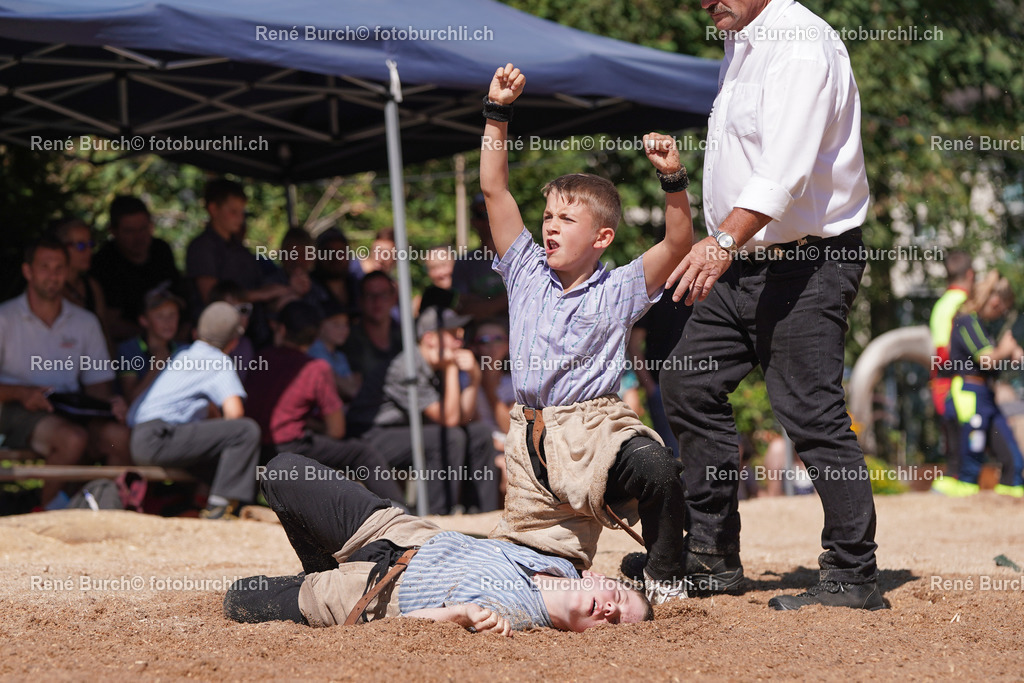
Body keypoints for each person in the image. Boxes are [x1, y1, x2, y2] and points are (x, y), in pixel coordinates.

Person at [659, 0, 883, 611]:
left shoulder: (802, 43)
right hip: (741, 257)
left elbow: (782, 172)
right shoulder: (743, 39)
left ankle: (852, 572)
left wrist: (720, 241)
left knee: (808, 408)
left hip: (807, 260)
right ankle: (712, 554)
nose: (708, 2)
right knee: (687, 381)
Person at [479, 64, 694, 604]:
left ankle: (665, 577)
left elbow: (677, 243)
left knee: (658, 469)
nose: (550, 225)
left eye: (565, 219)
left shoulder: (619, 289)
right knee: (526, 582)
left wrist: (673, 179)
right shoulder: (525, 269)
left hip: (595, 429)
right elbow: (493, 187)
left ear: (601, 237)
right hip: (530, 440)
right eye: (548, 215)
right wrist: (497, 112)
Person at [223, 452, 652, 633]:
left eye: (614, 623)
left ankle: (320, 582)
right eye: (615, 595)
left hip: (371, 595)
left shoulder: (514, 626)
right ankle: (319, 566)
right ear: (596, 577)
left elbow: (406, 629)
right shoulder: (561, 560)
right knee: (281, 470)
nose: (610, 608)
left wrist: (460, 613)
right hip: (397, 534)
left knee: (239, 598)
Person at [0, 238, 132, 507]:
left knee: (119, 438)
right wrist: (21, 393)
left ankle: (109, 509)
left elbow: (98, 384)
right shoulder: (4, 318)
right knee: (72, 439)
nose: (53, 275)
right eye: (45, 266)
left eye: (59, 267)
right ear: (28, 271)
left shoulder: (85, 321)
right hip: (12, 407)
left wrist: (108, 407)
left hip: (70, 407)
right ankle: (45, 518)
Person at [244, 301, 403, 501]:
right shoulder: (315, 368)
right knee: (363, 453)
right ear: (315, 335)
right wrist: (312, 425)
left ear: (281, 329)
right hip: (290, 449)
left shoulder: (261, 358)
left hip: (256, 448)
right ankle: (401, 511)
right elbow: (336, 430)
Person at [127, 302, 261, 519]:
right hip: (160, 439)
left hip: (141, 438)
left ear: (196, 332)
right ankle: (220, 508)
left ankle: (192, 505)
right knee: (246, 431)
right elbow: (235, 416)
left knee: (224, 453)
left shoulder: (182, 354)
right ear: (235, 342)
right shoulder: (218, 362)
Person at [362, 308, 500, 514]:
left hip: (409, 432)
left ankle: (482, 514)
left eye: (461, 336)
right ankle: (438, 516)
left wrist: (474, 379)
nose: (459, 342)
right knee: (450, 437)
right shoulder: (407, 367)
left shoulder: (437, 364)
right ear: (429, 338)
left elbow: (465, 418)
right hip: (372, 437)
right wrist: (452, 369)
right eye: (452, 335)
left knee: (479, 433)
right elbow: (450, 420)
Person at [935, 272, 1024, 497]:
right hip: (969, 395)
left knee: (1012, 458)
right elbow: (986, 359)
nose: (1002, 313)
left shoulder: (983, 326)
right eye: (1002, 308)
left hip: (986, 396)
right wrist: (1004, 350)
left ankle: (1011, 488)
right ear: (994, 301)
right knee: (970, 456)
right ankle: (961, 494)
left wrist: (1012, 351)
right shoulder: (967, 320)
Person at [90, 195, 182, 343]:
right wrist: (152, 334)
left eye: (143, 228)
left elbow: (181, 301)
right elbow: (109, 323)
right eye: (129, 231)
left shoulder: (161, 251)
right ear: (113, 231)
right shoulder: (105, 263)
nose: (139, 237)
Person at [929, 249, 974, 488]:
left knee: (953, 438)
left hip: (943, 383)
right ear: (970, 274)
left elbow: (940, 353)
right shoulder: (967, 304)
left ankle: (955, 477)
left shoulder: (941, 306)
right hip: (962, 383)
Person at [343, 271, 403, 436]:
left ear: (393, 298)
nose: (377, 302)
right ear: (360, 301)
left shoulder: (405, 337)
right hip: (366, 426)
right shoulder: (348, 340)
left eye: (383, 295)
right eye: (370, 296)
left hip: (403, 417)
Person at [116, 284, 184, 403]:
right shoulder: (128, 350)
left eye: (172, 314)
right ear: (144, 320)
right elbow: (132, 400)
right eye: (159, 316)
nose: (168, 322)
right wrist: (157, 366)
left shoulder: (183, 351)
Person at [452, 195, 509, 325]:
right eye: (482, 215)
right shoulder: (465, 263)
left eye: (493, 213)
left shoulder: (521, 257)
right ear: (473, 221)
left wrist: (484, 303)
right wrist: (507, 299)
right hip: (478, 340)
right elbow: (461, 309)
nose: (489, 220)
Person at [51, 218, 108, 327]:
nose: (88, 251)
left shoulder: (92, 287)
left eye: (90, 244)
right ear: (61, 248)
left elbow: (103, 331)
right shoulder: (50, 287)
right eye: (80, 246)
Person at [307, 301, 359, 402]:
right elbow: (351, 390)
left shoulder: (340, 356)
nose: (343, 329)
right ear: (319, 326)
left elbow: (353, 386)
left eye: (346, 324)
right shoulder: (314, 350)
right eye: (336, 324)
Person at [412, 244, 458, 317]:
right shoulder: (421, 303)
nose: (440, 273)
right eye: (433, 268)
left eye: (444, 265)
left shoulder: (470, 295)